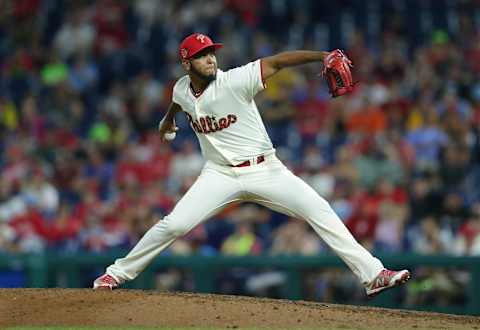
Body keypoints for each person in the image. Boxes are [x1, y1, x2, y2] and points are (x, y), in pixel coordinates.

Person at [93, 33, 410, 297]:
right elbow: (179, 101)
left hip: (265, 170)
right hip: (219, 174)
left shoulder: (234, 81)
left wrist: (323, 55)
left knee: (319, 209)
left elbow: (277, 61)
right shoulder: (180, 87)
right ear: (187, 63)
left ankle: (374, 275)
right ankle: (115, 275)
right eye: (203, 55)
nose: (211, 60)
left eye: (212, 53)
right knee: (174, 225)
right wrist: (166, 121)